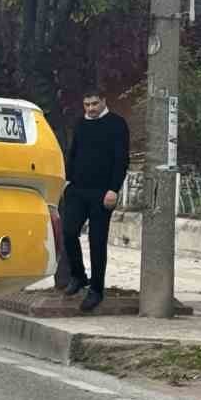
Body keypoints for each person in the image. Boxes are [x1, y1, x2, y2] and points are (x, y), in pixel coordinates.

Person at [60, 88, 130, 313]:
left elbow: (121, 159)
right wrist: (67, 181)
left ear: (104, 101)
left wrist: (113, 189)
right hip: (77, 189)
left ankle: (97, 289)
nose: (90, 109)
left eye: (94, 104)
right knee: (68, 232)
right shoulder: (80, 124)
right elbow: (73, 153)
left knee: (97, 241)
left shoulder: (117, 124)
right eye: (87, 105)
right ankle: (79, 276)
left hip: (102, 192)